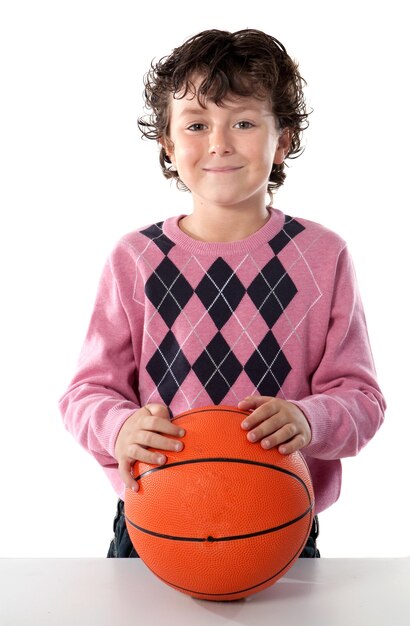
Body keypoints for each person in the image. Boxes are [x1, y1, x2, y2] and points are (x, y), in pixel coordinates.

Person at [59, 28, 386, 559]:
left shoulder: (323, 256)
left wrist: (307, 419)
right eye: (196, 124)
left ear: (282, 140)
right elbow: (85, 393)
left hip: (278, 518)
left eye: (243, 122)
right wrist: (120, 427)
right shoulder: (135, 259)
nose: (219, 142)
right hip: (156, 517)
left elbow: (363, 400)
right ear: (168, 143)